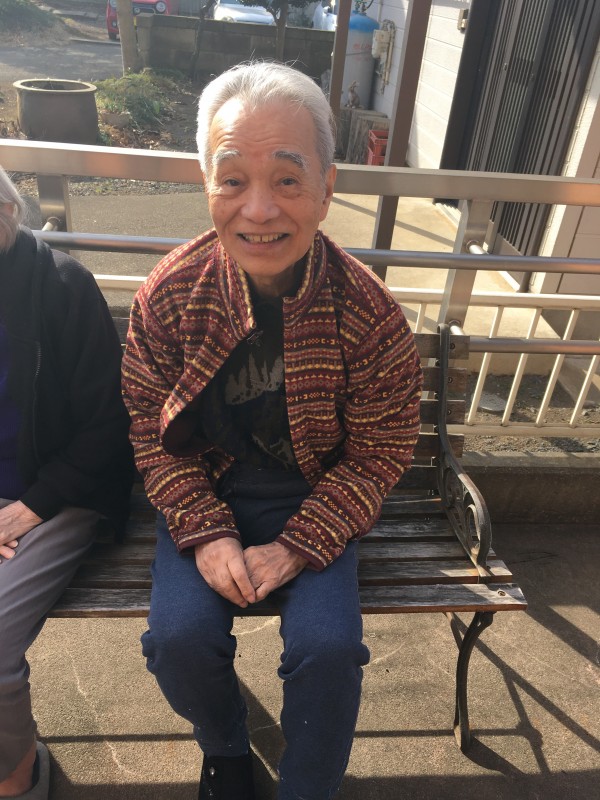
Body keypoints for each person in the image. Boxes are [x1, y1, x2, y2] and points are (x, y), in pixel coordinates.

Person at [121, 61, 422, 800]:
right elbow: (150, 428)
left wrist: (299, 544)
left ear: (326, 188)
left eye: (287, 179)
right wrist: (205, 531)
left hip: (317, 494)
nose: (259, 209)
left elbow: (380, 451)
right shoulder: (169, 296)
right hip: (207, 485)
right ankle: (225, 745)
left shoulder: (369, 313)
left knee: (329, 650)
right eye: (233, 179)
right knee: (177, 641)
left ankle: (307, 788)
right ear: (207, 185)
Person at [0, 166, 133, 800]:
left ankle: (18, 773)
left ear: (8, 212)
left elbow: (109, 425)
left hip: (56, 491)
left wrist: (31, 506)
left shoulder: (61, 286)